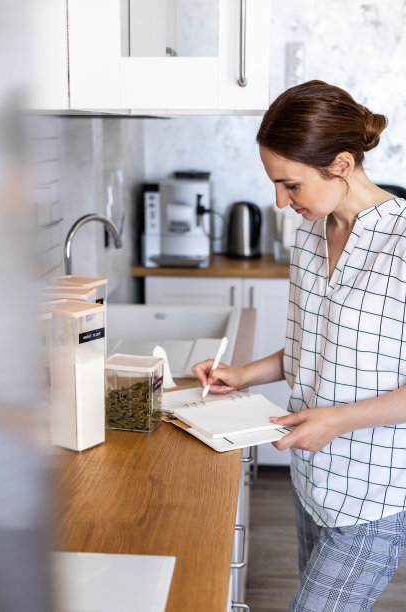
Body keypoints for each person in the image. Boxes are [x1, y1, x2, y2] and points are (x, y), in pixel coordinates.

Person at [192, 80, 406, 611]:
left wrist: (337, 419)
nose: (281, 201)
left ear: (340, 165)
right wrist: (241, 375)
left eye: (290, 185)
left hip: (375, 494)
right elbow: (310, 348)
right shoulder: (308, 237)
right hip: (310, 479)